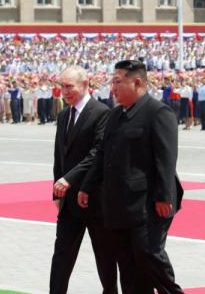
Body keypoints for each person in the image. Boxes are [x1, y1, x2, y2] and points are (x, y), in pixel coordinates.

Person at [79, 59, 184, 294]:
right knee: (128, 265)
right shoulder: (115, 115)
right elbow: (103, 154)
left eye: (118, 82)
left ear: (137, 82)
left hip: (149, 203)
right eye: (112, 82)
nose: (113, 88)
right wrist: (87, 186)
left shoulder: (158, 113)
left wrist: (164, 196)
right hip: (119, 204)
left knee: (149, 254)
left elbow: (166, 159)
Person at [49, 66, 118, 294]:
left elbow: (97, 153)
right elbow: (59, 156)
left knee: (104, 256)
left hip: (94, 198)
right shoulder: (64, 115)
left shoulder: (101, 112)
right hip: (68, 200)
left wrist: (69, 179)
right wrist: (56, 191)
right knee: (62, 255)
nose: (64, 91)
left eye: (69, 86)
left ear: (85, 84)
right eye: (62, 86)